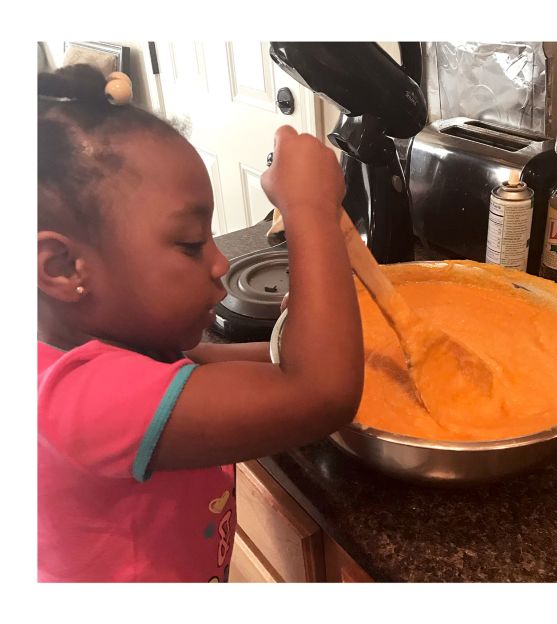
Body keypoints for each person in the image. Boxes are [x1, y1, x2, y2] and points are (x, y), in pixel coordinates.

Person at [37, 64, 364, 582]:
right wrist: (311, 208)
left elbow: (209, 364)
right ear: (61, 267)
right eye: (190, 243)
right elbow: (320, 394)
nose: (219, 263)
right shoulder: (79, 403)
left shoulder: (99, 348)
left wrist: (311, 338)